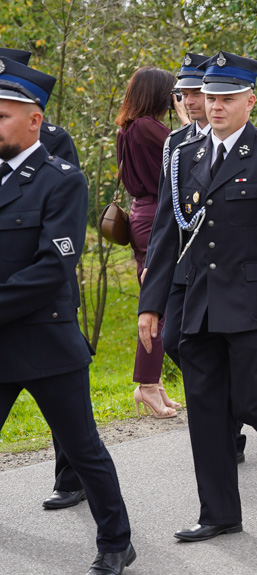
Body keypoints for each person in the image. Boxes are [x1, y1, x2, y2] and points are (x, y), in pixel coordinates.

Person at [138, 51, 257, 541]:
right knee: (204, 409)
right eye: (209, 97)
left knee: (250, 400)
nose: (214, 106)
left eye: (226, 98)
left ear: (250, 100)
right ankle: (218, 513)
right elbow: (165, 236)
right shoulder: (185, 156)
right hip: (198, 300)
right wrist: (151, 304)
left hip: (252, 301)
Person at [0, 55, 136, 575]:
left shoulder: (61, 181)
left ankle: (116, 541)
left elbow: (52, 268)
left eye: (3, 115)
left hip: (45, 342)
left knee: (83, 450)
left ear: (34, 120)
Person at [0, 45, 95, 511]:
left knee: (68, 413)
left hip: (41, 292)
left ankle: (70, 475)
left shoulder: (52, 143)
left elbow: (57, 228)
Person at [143, 52, 247, 463]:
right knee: (174, 341)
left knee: (217, 348)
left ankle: (230, 426)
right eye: (182, 93)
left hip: (222, 265)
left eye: (193, 92)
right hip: (183, 262)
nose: (188, 100)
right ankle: (223, 406)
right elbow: (167, 214)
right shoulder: (177, 142)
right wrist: (155, 261)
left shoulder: (243, 143)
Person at [115, 65, 187, 418]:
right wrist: (185, 117)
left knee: (156, 300)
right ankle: (146, 385)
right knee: (155, 303)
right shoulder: (150, 128)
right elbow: (192, 151)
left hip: (141, 214)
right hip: (158, 215)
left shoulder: (127, 128)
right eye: (173, 93)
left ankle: (153, 382)